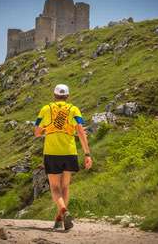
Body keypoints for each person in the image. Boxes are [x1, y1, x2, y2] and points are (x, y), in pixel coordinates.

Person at [34, 84, 92, 230]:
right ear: (67, 96)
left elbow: (37, 132)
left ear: (54, 95)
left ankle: (64, 211)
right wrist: (87, 154)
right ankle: (59, 219)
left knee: (54, 187)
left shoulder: (45, 109)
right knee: (65, 186)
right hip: (70, 152)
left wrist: (50, 129)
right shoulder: (74, 109)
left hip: (52, 152)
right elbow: (80, 131)